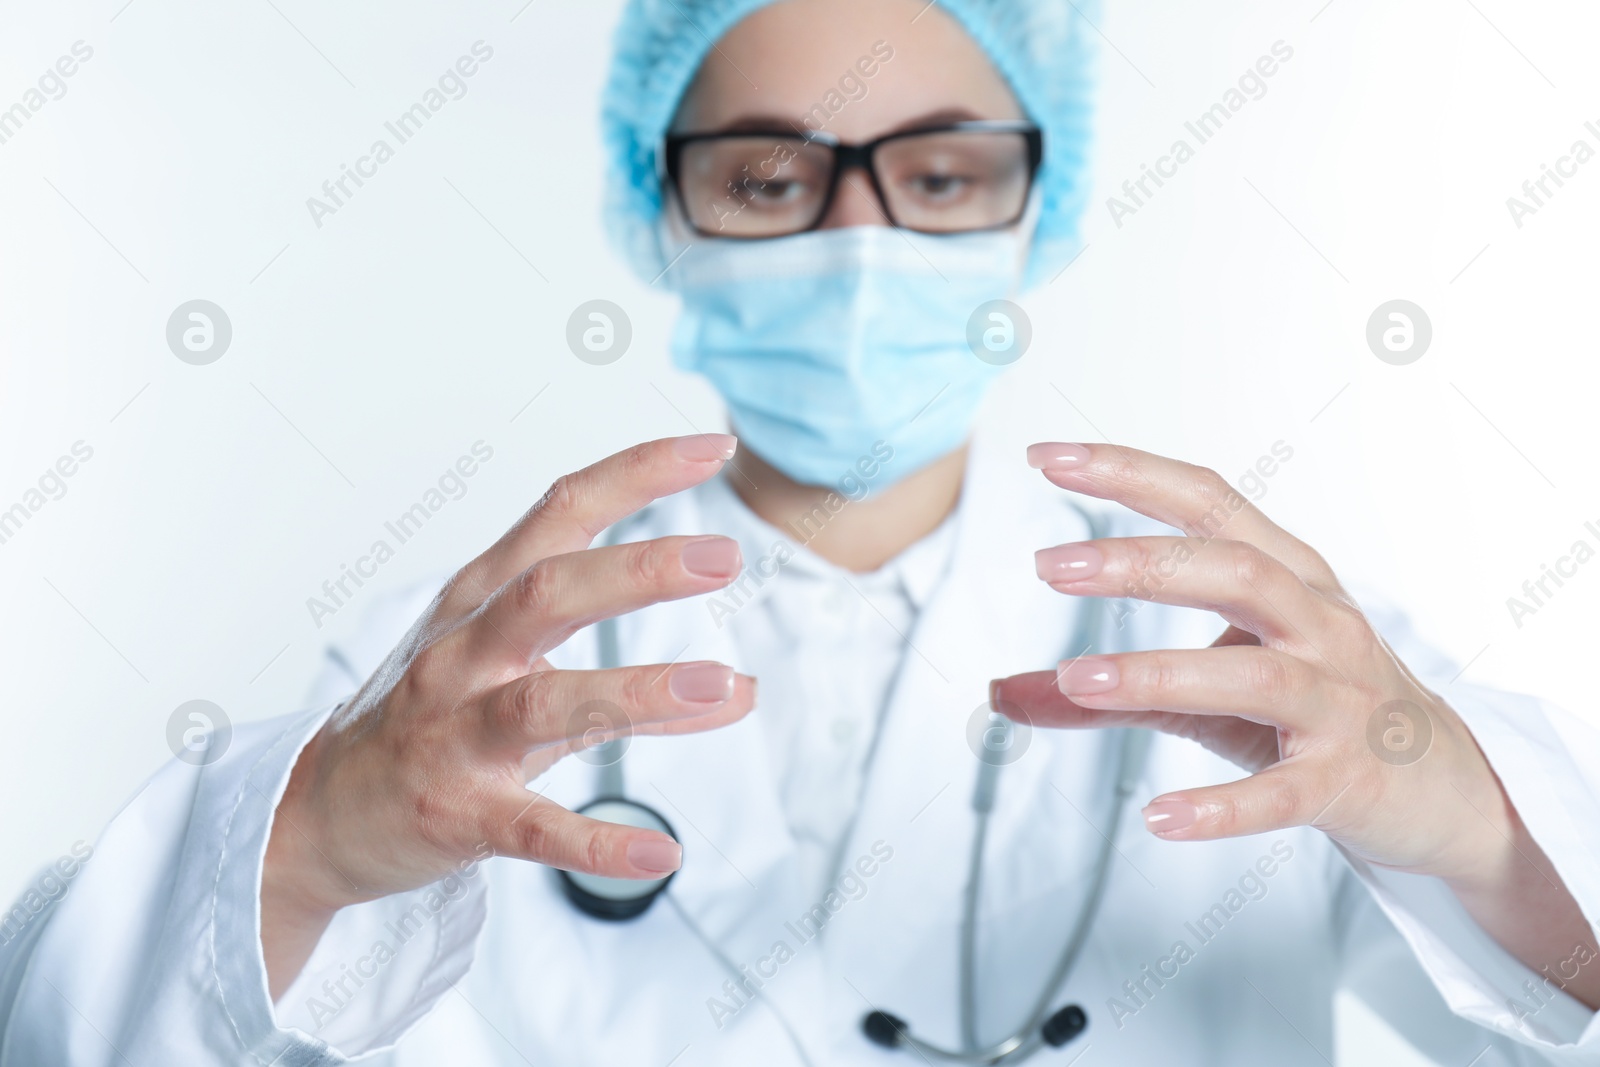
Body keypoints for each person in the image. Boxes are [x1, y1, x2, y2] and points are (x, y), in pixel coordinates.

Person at [2, 0, 1597, 1063]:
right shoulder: (462, 667)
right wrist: (299, 856)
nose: (857, 239)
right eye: (769, 178)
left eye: (942, 173)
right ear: (663, 208)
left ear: (1034, 208)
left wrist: (1487, 836)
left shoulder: (1255, 648)